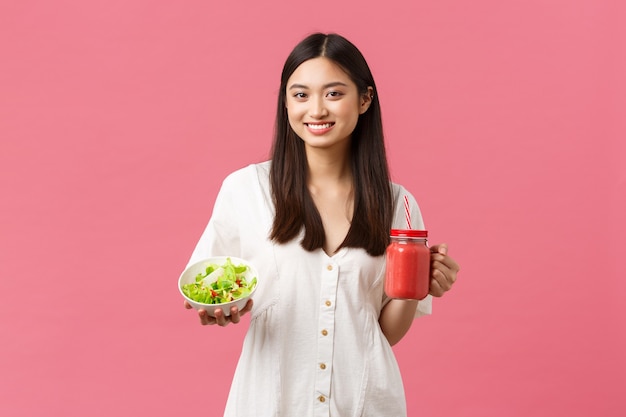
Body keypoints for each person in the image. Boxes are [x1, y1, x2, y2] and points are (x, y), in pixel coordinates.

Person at [183, 32, 460, 417]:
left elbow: (382, 334)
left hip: (365, 403)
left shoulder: (400, 205)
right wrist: (221, 307)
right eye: (300, 95)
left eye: (333, 94)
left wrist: (419, 283)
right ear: (285, 102)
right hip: (270, 403)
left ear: (364, 99)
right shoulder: (245, 190)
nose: (316, 110)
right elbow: (213, 283)